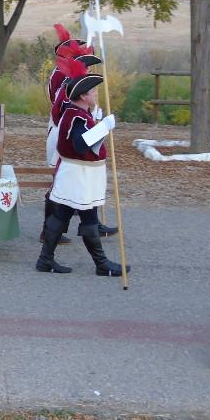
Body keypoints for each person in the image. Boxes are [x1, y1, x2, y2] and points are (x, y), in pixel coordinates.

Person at [36, 58, 129, 277]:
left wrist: (97, 123)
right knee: (87, 217)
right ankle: (101, 263)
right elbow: (79, 144)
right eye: (93, 92)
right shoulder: (76, 115)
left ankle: (45, 259)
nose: (96, 94)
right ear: (83, 96)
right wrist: (103, 127)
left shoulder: (80, 113)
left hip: (82, 173)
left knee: (65, 214)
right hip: (78, 173)